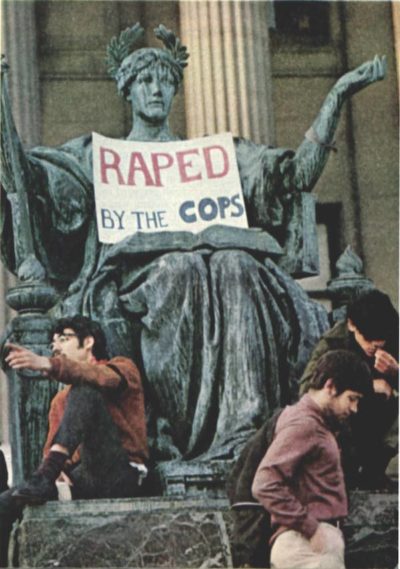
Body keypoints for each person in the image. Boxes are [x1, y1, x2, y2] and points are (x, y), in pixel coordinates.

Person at [0, 23, 386, 462]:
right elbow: (33, 185)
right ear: (126, 90)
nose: (157, 91)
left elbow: (292, 177)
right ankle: (185, 432)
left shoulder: (212, 157)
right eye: (145, 81)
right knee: (178, 269)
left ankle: (247, 426)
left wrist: (335, 99)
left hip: (214, 269)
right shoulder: (96, 155)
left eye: (166, 81)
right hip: (140, 277)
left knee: (239, 265)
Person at [0, 316, 147, 566]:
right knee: (4, 504)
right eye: (52, 343)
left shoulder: (122, 368)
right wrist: (60, 472)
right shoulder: (60, 401)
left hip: (121, 472)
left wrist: (48, 364)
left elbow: (102, 378)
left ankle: (46, 477)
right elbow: (52, 449)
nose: (55, 346)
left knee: (85, 387)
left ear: (88, 342)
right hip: (82, 479)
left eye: (63, 339)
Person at [252, 350, 373, 569]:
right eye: (352, 399)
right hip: (305, 546)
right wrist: (310, 527)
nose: (354, 408)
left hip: (310, 544)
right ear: (331, 386)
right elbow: (265, 483)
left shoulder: (316, 422)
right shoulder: (305, 424)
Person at [299, 289, 399, 487]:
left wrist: (396, 372)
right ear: (352, 325)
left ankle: (374, 471)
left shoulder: (394, 335)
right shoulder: (333, 343)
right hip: (345, 424)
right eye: (368, 338)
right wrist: (367, 385)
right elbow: (307, 391)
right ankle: (344, 471)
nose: (374, 345)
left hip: (381, 420)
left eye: (380, 340)